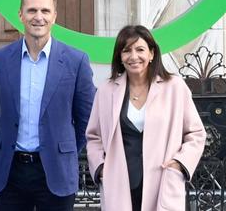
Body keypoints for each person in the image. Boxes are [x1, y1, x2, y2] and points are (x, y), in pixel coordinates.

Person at [0, 0, 96, 210]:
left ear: (54, 16)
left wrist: (62, 148)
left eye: (45, 11)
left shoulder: (76, 61)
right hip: (11, 172)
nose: (38, 17)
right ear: (20, 15)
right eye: (32, 10)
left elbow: (87, 118)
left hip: (55, 171)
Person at [85, 25, 206, 211]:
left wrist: (179, 165)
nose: (133, 56)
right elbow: (94, 137)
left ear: (151, 53)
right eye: (126, 51)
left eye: (140, 49)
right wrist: (101, 168)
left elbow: (196, 134)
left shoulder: (174, 87)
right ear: (120, 56)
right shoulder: (106, 90)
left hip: (163, 180)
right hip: (120, 183)